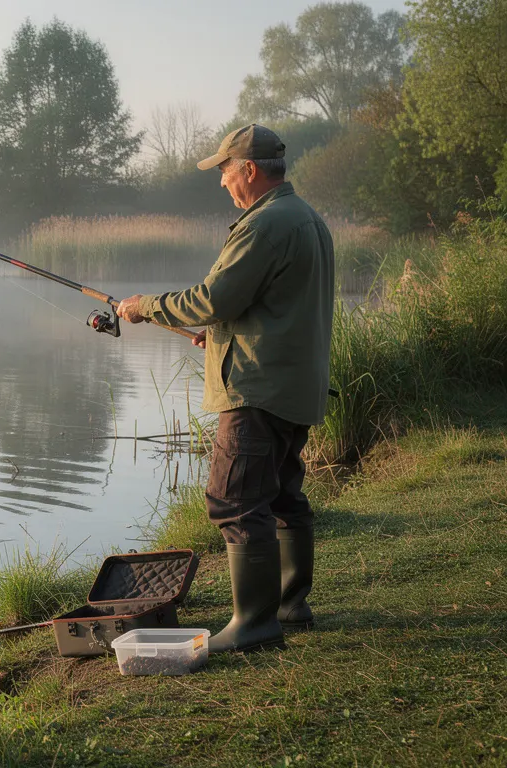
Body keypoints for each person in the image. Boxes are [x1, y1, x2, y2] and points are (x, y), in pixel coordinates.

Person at [116, 124, 334, 652]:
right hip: (294, 386)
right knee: (282, 496)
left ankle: (253, 626)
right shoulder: (307, 217)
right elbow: (272, 306)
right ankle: (290, 605)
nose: (221, 181)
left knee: (234, 499)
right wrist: (218, 336)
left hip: (258, 391)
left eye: (224, 170)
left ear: (249, 170)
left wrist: (146, 306)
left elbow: (213, 298)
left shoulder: (264, 224)